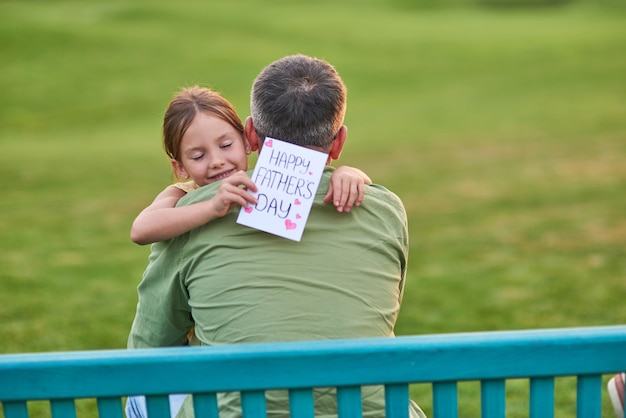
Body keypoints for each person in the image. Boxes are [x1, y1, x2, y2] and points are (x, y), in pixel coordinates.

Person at [127, 54, 425, 418]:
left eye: (224, 146)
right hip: (367, 409)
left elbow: (151, 347)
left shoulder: (188, 217)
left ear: (249, 135)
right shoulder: (382, 208)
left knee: (142, 393)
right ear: (339, 142)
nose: (218, 161)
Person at [130, 86, 372, 246]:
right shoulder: (181, 193)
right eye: (198, 156)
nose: (216, 161)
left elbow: (312, 180)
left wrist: (349, 173)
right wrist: (213, 206)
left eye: (225, 145)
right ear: (180, 167)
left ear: (247, 140)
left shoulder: (268, 177)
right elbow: (140, 231)